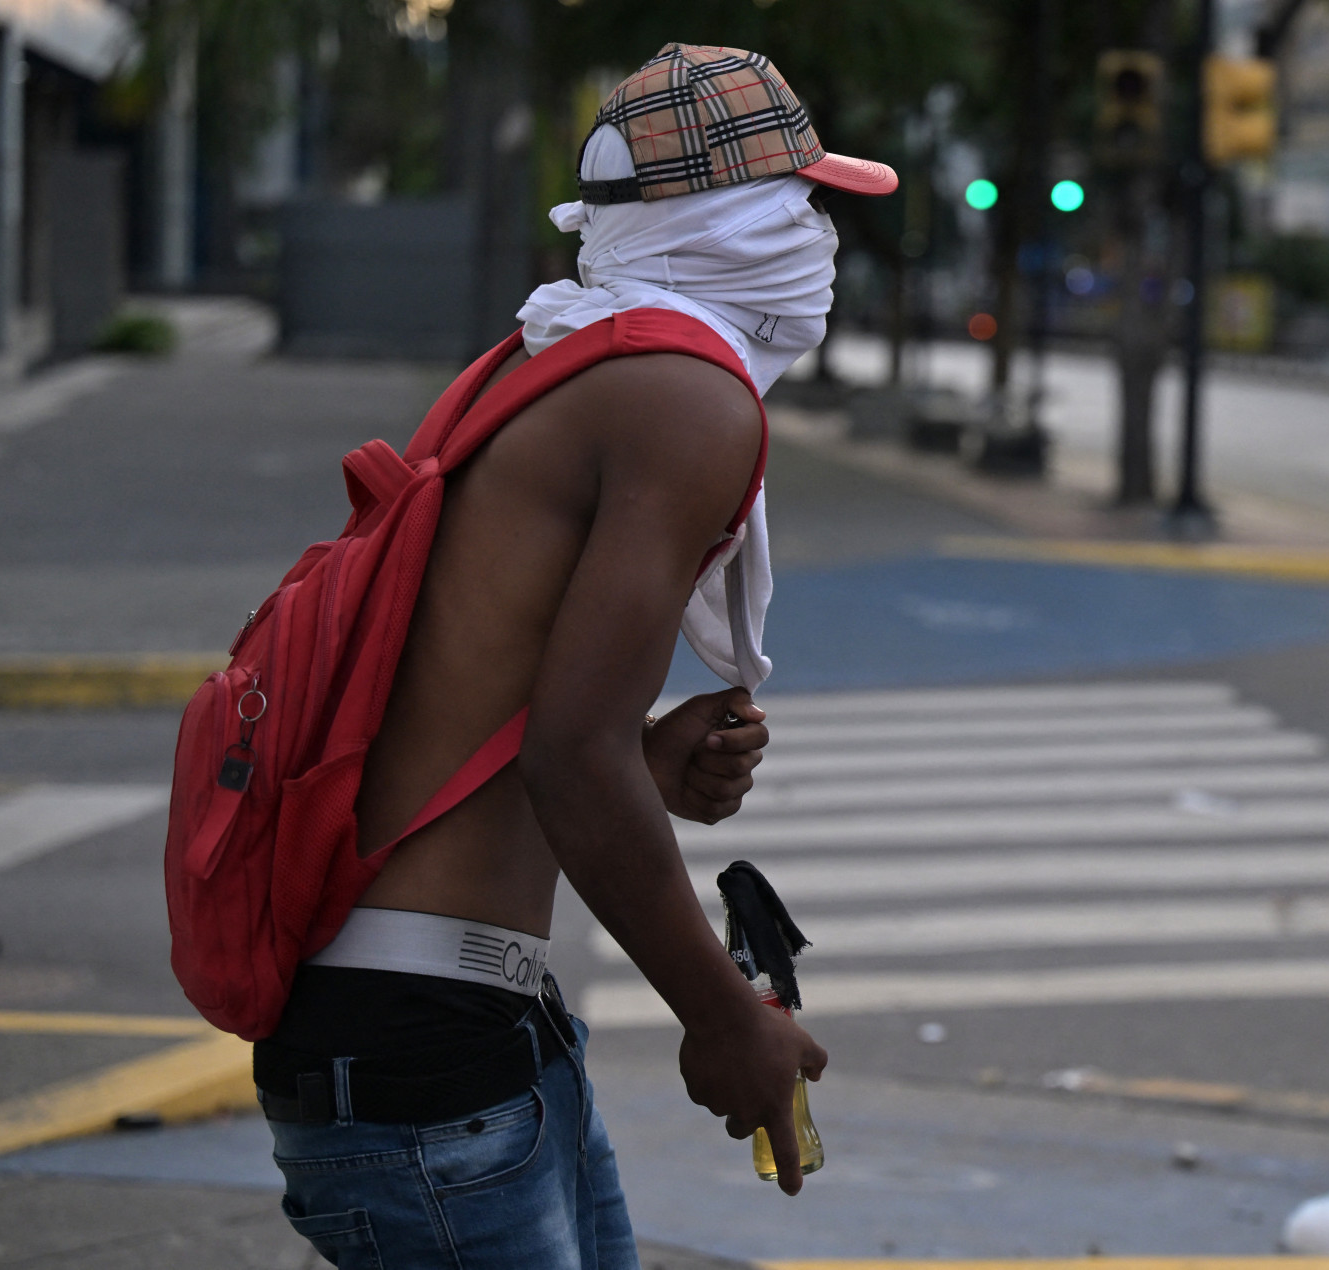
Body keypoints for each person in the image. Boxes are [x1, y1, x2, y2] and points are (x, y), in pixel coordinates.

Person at [252, 44, 898, 1269]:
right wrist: (724, 1017)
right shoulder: (682, 398)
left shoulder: (551, 357)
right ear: (726, 223)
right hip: (428, 1051)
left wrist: (641, 760)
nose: (820, 242)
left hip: (450, 1027)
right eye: (800, 206)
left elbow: (492, 719)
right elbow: (569, 758)